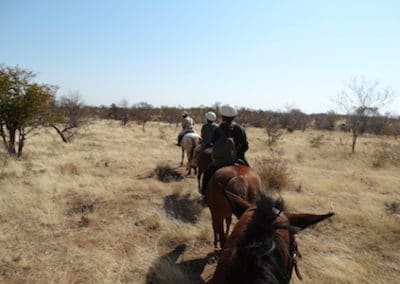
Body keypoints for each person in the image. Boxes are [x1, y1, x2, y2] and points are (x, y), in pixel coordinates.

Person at [201, 104, 249, 195]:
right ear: (234, 116)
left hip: (221, 161)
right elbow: (245, 147)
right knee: (252, 175)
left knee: (207, 174)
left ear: (222, 116)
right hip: (239, 159)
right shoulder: (240, 129)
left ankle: (204, 195)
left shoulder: (218, 129)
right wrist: (236, 154)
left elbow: (214, 145)